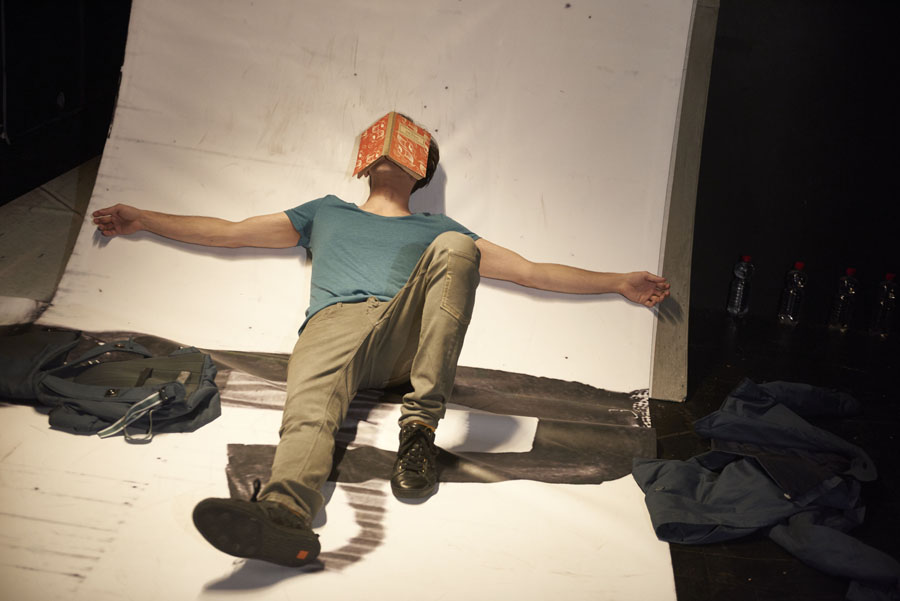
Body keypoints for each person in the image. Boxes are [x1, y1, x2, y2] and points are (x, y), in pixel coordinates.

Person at [92, 116, 670, 567]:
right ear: (365, 162)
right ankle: (284, 518)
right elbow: (231, 232)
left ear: (421, 170)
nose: (392, 146)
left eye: (407, 142)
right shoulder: (325, 212)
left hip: (403, 339)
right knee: (309, 409)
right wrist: (145, 218)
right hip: (333, 329)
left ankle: (418, 431)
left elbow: (531, 270)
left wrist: (616, 281)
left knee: (457, 250)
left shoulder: (441, 230)